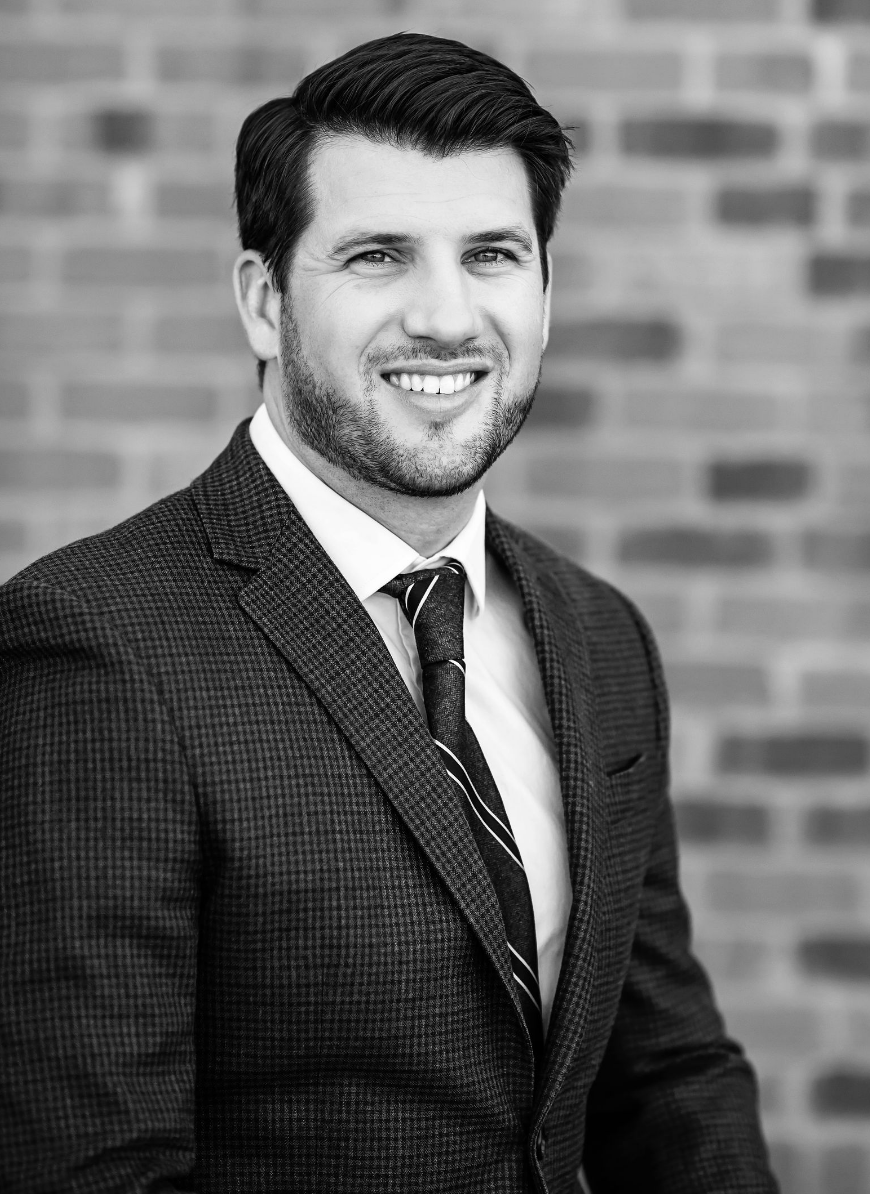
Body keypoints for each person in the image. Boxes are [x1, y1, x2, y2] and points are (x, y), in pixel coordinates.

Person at [0, 32, 777, 1194]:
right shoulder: (96, 644)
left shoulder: (600, 638)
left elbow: (664, 1074)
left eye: (492, 255)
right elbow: (95, 1167)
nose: (447, 317)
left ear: (547, 296)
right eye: (378, 257)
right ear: (263, 302)